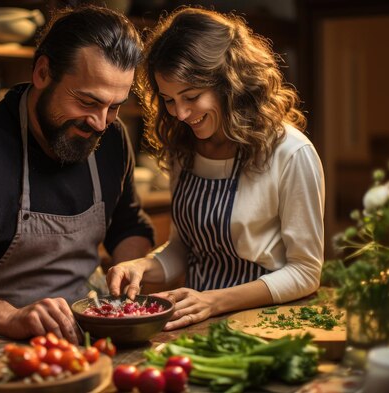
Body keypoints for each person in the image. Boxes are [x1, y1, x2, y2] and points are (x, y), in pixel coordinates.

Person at [0, 5, 154, 350]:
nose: (99, 122)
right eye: (87, 102)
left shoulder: (111, 138)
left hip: (87, 340)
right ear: (43, 72)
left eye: (114, 106)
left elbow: (128, 226)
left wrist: (130, 276)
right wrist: (10, 318)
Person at [107, 7, 325, 331]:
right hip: (198, 322)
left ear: (229, 84)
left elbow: (305, 273)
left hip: (267, 325)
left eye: (191, 96)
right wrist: (143, 266)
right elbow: (185, 249)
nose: (179, 113)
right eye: (168, 100)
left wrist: (215, 301)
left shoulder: (290, 153)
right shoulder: (184, 149)